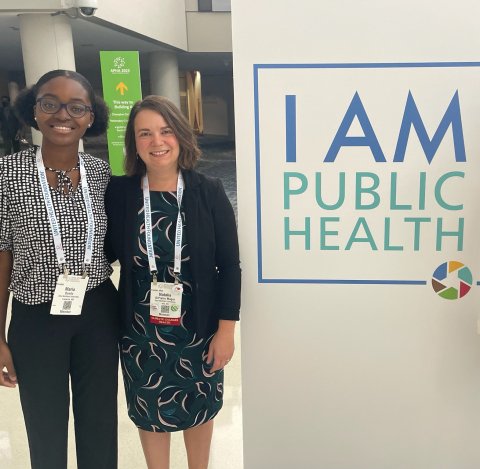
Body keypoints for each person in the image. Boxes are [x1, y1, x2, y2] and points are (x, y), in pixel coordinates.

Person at [106, 95, 241, 469]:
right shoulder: (119, 193)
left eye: (165, 131)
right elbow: (101, 251)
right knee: (149, 411)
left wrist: (226, 331)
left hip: (198, 328)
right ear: (134, 143)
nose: (157, 141)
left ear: (180, 136)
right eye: (144, 133)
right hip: (139, 332)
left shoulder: (208, 191)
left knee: (199, 408)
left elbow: (230, 266)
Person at [0, 69, 119, 469]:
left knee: (100, 425)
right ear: (33, 111)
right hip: (36, 317)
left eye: (76, 107)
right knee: (45, 427)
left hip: (98, 311)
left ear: (90, 117)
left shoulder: (101, 174)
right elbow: (2, 256)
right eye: (49, 103)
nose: (61, 115)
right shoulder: (7, 174)